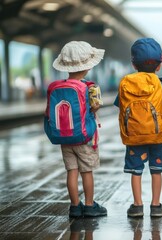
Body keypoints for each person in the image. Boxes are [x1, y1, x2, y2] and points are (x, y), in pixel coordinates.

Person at [114, 38, 162, 217]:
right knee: (157, 170)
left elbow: (122, 107)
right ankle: (156, 206)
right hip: (157, 136)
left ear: (134, 64)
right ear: (159, 65)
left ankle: (137, 205)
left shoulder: (126, 83)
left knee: (136, 171)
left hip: (134, 137)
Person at [51, 41, 107, 217]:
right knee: (86, 171)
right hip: (84, 137)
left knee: (72, 171)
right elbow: (96, 107)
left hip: (65, 137)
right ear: (87, 67)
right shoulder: (91, 87)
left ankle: (75, 206)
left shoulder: (58, 87)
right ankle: (90, 206)